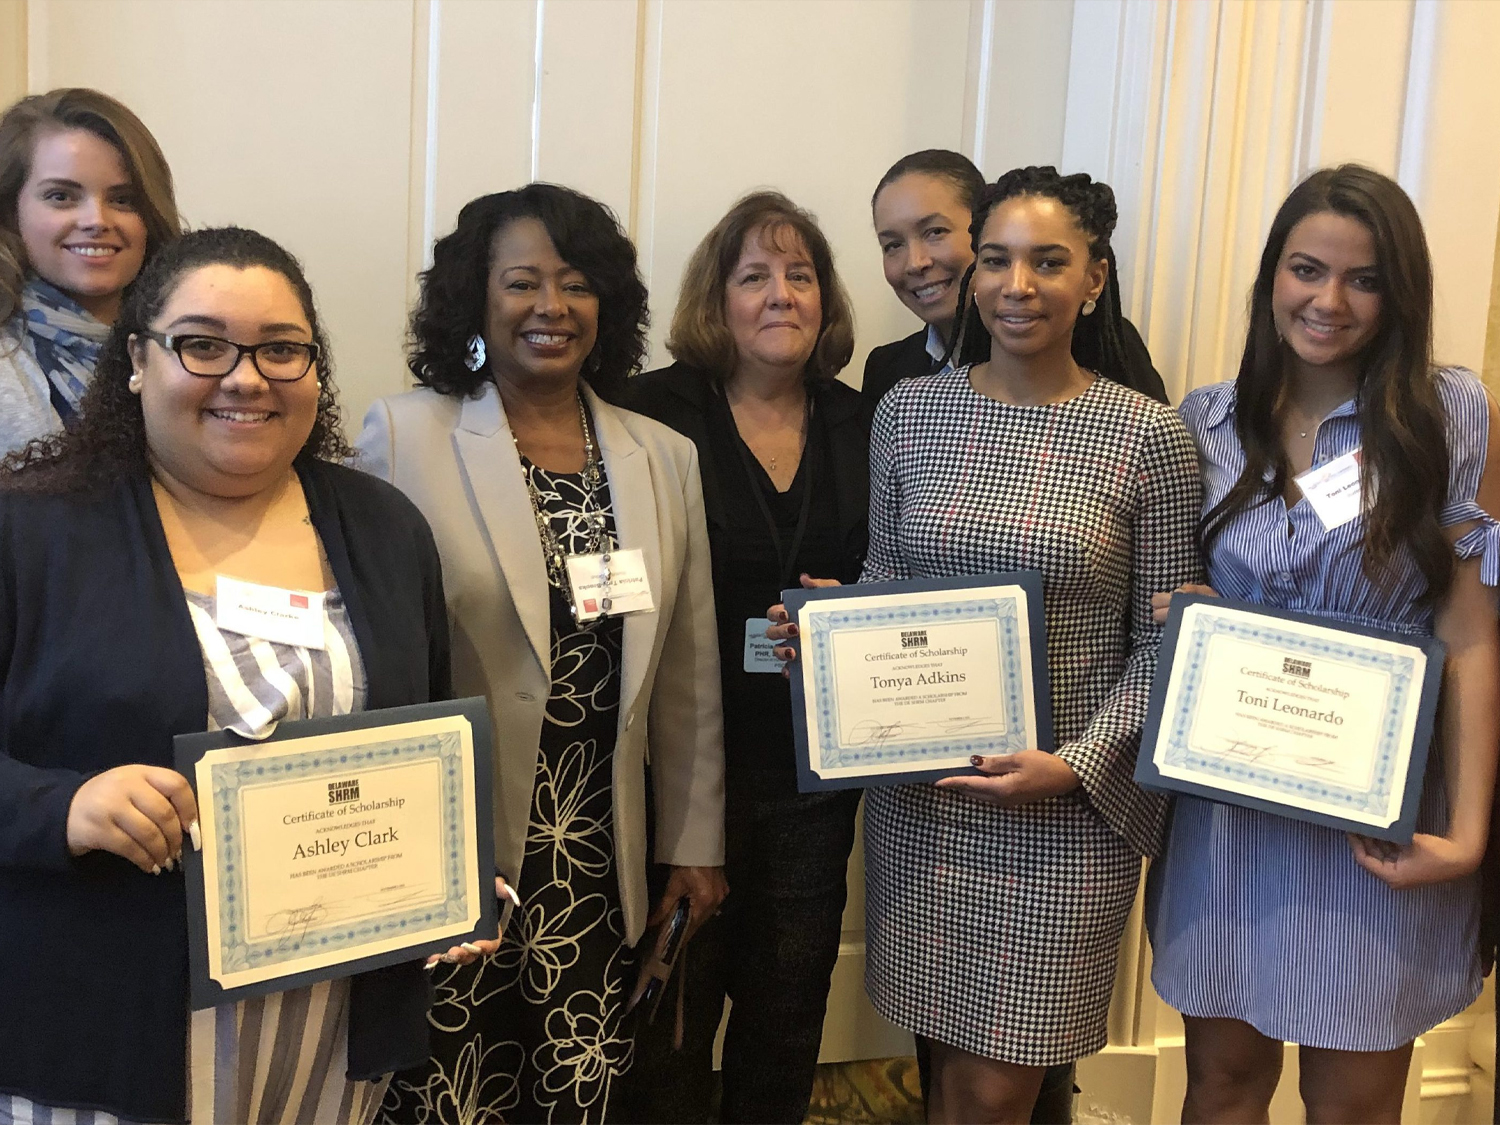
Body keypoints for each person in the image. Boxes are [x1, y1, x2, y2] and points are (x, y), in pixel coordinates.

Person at [0, 226, 472, 1124]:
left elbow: (428, 735)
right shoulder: (30, 532)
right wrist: (60, 808)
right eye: (203, 344)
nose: (246, 376)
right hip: (104, 1032)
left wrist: (450, 858)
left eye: (280, 348)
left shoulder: (384, 529)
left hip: (324, 1032)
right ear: (137, 360)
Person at [772, 165, 1201, 1124]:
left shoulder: (1151, 439)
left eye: (1049, 262)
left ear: (1094, 276)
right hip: (925, 803)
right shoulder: (907, 413)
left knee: (996, 1093)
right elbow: (890, 577)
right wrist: (834, 637)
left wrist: (1077, 766)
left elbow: (1169, 637)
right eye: (998, 261)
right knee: (946, 1083)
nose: (1017, 286)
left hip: (1061, 816)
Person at [355, 182, 727, 1123]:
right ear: (476, 301)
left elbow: (685, 669)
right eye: (522, 282)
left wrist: (693, 843)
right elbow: (365, 659)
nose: (551, 307)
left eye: (577, 283)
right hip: (456, 851)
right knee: (447, 1092)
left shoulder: (663, 454)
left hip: (600, 857)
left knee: (576, 1092)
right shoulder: (405, 435)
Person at [1145, 165, 1500, 1125]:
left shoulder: (1447, 414)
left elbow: (1469, 630)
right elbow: (1182, 598)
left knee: (1350, 1099)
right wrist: (1191, 611)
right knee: (1220, 1080)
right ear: (1271, 277)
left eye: (1365, 278)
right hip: (1233, 805)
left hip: (1375, 810)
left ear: (1401, 294)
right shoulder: (1206, 422)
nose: (1329, 301)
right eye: (1307, 269)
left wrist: (1467, 832)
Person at [617, 191, 868, 1124]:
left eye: (800, 275)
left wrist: (864, 612)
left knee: (785, 1012)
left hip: (811, 775)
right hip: (679, 771)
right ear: (715, 300)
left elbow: (898, 574)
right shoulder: (650, 412)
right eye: (754, 276)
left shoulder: (866, 423)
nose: (780, 295)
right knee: (670, 1015)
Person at [865, 148, 1167, 407]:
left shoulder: (1093, 342)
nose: (916, 263)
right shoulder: (890, 374)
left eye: (935, 232)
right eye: (893, 245)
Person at [0, 87, 180, 453]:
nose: (97, 220)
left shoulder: (192, 347)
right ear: (9, 211)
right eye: (61, 196)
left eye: (122, 200)